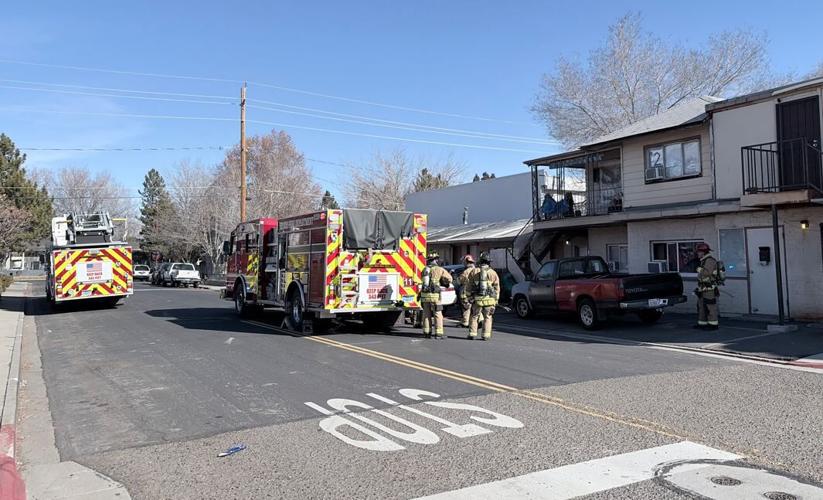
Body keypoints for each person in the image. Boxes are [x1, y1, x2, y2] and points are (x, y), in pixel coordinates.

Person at [467, 252, 500, 340]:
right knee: (487, 317)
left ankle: (472, 334)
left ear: (480, 261)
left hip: (477, 300)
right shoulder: (493, 273)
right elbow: (497, 288)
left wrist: (468, 296)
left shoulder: (474, 271)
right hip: (489, 300)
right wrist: (496, 300)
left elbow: (469, 285)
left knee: (474, 316)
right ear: (489, 262)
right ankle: (486, 335)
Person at [419, 252, 453, 339]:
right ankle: (439, 333)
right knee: (437, 313)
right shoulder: (439, 269)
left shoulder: (424, 269)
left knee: (426, 314)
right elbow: (449, 279)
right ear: (436, 260)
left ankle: (427, 332)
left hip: (424, 295)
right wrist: (443, 282)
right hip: (435, 296)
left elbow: (422, 279)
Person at [694, 242, 721, 330]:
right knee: (701, 306)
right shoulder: (703, 260)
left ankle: (713, 325)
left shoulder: (710, 261)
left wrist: (698, 269)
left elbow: (706, 273)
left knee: (710, 306)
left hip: (709, 289)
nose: (697, 253)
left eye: (699, 252)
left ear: (703, 252)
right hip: (702, 288)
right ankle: (702, 323)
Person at [457, 254, 476, 327]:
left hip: (466, 291)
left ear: (466, 262)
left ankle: (465, 322)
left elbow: (459, 281)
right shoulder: (477, 270)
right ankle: (480, 320)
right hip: (475, 292)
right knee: (475, 307)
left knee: (466, 307)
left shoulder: (466, 271)